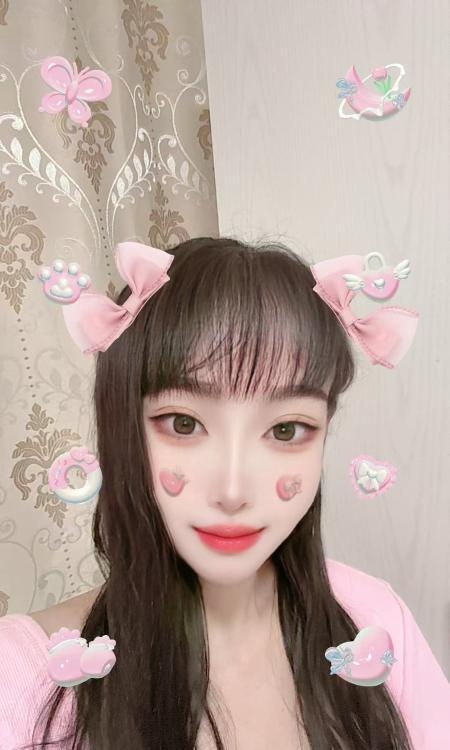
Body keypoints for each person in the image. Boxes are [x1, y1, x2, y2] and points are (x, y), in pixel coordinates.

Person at [0, 236, 449, 750]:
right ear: (122, 426)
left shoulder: (377, 619)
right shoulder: (20, 679)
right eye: (183, 423)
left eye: (286, 430)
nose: (233, 491)